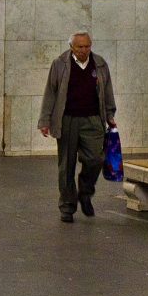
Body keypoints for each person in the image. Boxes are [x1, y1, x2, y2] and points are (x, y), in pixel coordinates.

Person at [38, 32, 117, 223]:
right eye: (80, 47)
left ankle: (85, 191)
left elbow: (107, 91)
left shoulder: (99, 63)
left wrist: (110, 115)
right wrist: (45, 121)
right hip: (67, 120)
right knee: (66, 166)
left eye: (87, 46)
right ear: (71, 47)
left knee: (95, 159)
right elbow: (51, 92)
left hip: (92, 120)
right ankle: (67, 206)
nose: (84, 50)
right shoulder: (60, 64)